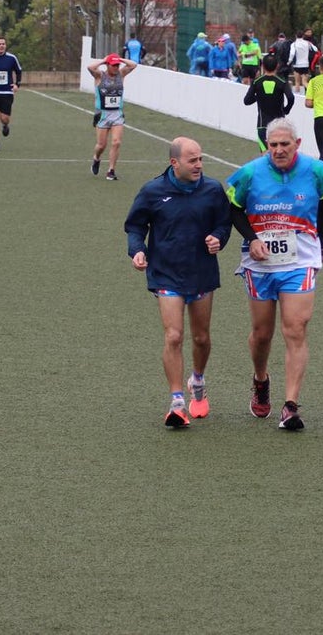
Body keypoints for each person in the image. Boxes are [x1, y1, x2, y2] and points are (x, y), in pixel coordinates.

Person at [226, 118, 323, 431]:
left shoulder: (316, 171)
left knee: (296, 328)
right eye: (272, 145)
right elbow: (234, 209)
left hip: (300, 259)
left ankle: (290, 405)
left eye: (284, 144)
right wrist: (253, 238)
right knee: (262, 333)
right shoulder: (249, 173)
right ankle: (260, 378)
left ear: (297, 145)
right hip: (260, 261)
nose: (278, 150)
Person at [125, 137, 232, 427]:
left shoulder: (212, 189)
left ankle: (197, 381)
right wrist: (137, 250)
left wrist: (218, 238)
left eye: (200, 159)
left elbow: (225, 222)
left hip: (201, 273)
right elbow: (135, 226)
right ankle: (176, 402)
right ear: (175, 163)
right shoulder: (153, 191)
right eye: (192, 160)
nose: (199, 165)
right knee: (173, 335)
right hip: (165, 273)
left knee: (201, 338)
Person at [88, 53, 139, 181]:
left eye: (117, 65)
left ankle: (111, 170)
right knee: (101, 145)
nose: (116, 67)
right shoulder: (100, 76)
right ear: (108, 65)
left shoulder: (121, 75)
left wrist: (120, 59)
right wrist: (103, 61)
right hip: (103, 114)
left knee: (116, 142)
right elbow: (90, 67)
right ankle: (96, 158)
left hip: (117, 114)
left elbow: (133, 65)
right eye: (114, 65)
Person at [243, 54, 295, 152]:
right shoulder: (282, 82)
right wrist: (286, 110)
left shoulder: (257, 82)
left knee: (265, 154)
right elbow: (291, 97)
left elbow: (247, 101)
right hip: (279, 124)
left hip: (263, 124)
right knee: (279, 152)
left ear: (262, 66)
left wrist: (258, 96)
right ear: (277, 66)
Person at [288, 30, 315, 94]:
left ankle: (297, 96)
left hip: (297, 65)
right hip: (305, 64)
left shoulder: (293, 44)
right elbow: (315, 49)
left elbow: (292, 54)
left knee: (297, 82)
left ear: (296, 36)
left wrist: (289, 62)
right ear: (303, 36)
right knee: (304, 82)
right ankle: (311, 92)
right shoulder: (307, 43)